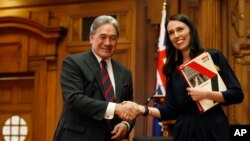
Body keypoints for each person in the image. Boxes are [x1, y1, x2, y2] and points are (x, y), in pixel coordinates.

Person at [123, 13, 244, 141]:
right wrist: (142, 109)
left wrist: (207, 94)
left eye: (180, 29)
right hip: (184, 133)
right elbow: (171, 111)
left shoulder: (213, 56)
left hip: (214, 130)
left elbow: (237, 94)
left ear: (190, 30)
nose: (176, 36)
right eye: (171, 32)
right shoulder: (172, 70)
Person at [53, 15, 139, 141]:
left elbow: (128, 107)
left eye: (113, 38)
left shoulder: (125, 72)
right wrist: (115, 108)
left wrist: (126, 125)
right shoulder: (73, 63)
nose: (108, 43)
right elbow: (74, 99)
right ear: (91, 38)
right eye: (103, 37)